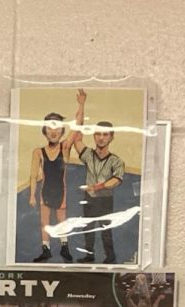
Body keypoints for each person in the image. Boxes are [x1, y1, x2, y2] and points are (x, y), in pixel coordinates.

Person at [27, 89, 85, 262]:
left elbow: (78, 125)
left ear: (61, 131)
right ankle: (46, 250)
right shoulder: (38, 152)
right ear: (44, 130)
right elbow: (32, 175)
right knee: (44, 222)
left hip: (61, 191)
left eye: (57, 128)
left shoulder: (65, 147)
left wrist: (81, 104)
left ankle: (64, 248)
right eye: (50, 128)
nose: (53, 132)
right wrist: (31, 195)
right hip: (45, 192)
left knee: (61, 220)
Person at [70, 92, 125, 264]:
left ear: (111, 137)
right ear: (94, 136)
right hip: (89, 198)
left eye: (105, 134)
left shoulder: (116, 161)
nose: (101, 138)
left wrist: (99, 187)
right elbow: (77, 137)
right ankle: (89, 255)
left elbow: (116, 180)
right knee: (88, 228)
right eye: (98, 134)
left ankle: (110, 258)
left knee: (106, 229)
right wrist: (81, 105)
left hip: (105, 200)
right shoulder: (87, 155)